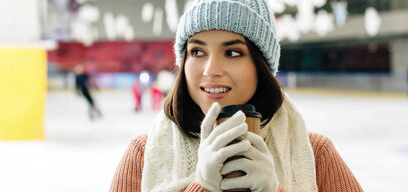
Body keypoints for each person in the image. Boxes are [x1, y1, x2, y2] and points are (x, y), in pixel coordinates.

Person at [110, 0, 363, 191]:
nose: (210, 71)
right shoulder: (143, 155)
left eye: (232, 53)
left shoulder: (316, 154)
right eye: (197, 51)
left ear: (260, 65)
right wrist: (202, 186)